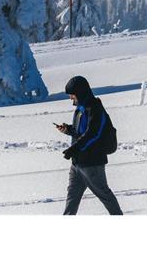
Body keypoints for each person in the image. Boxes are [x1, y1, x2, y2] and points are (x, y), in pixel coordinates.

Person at [54, 75, 123, 215]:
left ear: (80, 92)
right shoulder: (80, 109)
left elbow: (93, 134)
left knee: (105, 195)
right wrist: (68, 129)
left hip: (92, 164)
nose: (70, 98)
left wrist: (74, 149)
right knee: (72, 198)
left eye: (72, 94)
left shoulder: (95, 108)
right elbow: (81, 132)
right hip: (77, 164)